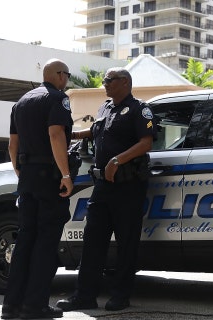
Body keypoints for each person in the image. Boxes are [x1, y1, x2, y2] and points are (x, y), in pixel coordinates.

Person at [56, 67, 155, 312]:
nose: (104, 84)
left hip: (128, 185)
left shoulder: (139, 109)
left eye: (108, 80)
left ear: (124, 82)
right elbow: (96, 131)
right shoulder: (105, 107)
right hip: (102, 186)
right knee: (93, 242)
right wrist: (72, 134)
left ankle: (120, 295)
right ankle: (84, 296)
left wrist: (117, 160)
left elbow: (146, 142)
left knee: (126, 242)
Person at [2, 58, 74, 319]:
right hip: (48, 178)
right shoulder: (57, 99)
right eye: (66, 75)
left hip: (28, 177)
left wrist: (20, 170)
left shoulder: (21, 102)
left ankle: (11, 306)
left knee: (25, 241)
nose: (67, 80)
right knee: (45, 242)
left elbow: (12, 145)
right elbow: (56, 135)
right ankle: (35, 305)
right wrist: (65, 174)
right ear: (58, 75)